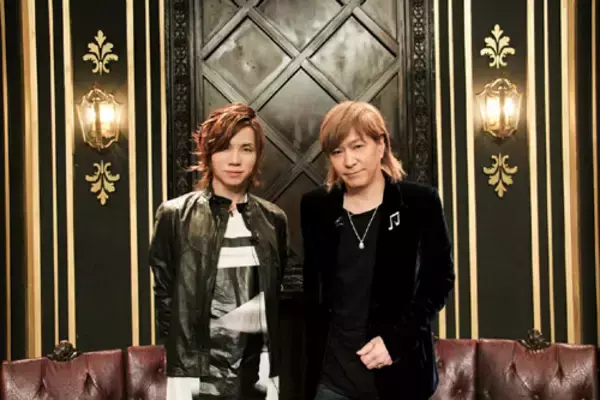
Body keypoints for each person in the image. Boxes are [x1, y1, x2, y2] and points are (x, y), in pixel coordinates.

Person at [300, 101, 455, 400]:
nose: (349, 161)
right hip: (331, 379)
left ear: (380, 144)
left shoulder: (419, 202)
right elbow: (315, 291)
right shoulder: (315, 207)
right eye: (337, 152)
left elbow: (439, 281)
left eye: (357, 146)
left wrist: (395, 342)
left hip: (400, 373)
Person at [150, 103, 289, 400]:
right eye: (225, 147)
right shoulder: (174, 216)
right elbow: (165, 299)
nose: (235, 160)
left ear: (257, 155)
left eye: (246, 149)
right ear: (208, 152)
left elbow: (273, 295)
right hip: (193, 370)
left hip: (260, 367)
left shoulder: (273, 220)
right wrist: (182, 363)